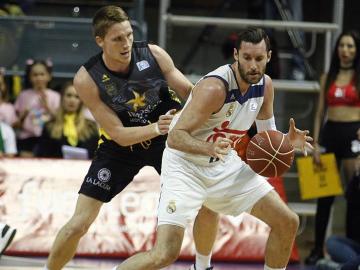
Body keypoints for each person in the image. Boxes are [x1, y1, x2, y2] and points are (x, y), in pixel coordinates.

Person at [113, 27, 313, 270]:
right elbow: (175, 137)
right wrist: (207, 148)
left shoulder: (265, 86)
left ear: (269, 57)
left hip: (222, 163)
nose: (253, 65)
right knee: (164, 254)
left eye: (259, 59)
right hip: (185, 167)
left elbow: (266, 138)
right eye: (247, 57)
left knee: (287, 222)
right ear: (236, 55)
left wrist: (285, 142)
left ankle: (201, 267)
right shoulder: (214, 89)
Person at [44, 5, 219, 270]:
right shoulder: (86, 79)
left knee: (208, 201)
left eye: (128, 35)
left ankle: (203, 266)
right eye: (117, 38)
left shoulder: (153, 54)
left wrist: (208, 113)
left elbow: (190, 93)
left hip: (168, 142)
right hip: (121, 147)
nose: (126, 44)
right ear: (100, 41)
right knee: (78, 224)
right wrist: (156, 127)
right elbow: (118, 134)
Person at [306, 30, 360, 265]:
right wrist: (315, 143)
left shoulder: (359, 77)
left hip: (352, 136)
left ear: (356, 50)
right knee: (323, 197)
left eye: (350, 46)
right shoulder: (327, 76)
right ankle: (318, 248)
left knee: (353, 195)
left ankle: (352, 251)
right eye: (342, 46)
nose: (345, 50)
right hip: (329, 134)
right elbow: (319, 114)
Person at [36, 81, 99, 159]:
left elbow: (97, 155)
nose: (72, 100)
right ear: (62, 98)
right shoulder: (49, 126)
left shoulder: (91, 126)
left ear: (81, 101)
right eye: (69, 96)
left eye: (77, 97)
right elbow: (42, 156)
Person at [14, 59, 60, 157]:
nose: (39, 78)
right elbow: (16, 125)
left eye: (42, 74)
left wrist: (47, 107)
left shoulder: (55, 96)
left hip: (48, 138)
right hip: (27, 138)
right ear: (30, 77)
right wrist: (23, 115)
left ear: (49, 76)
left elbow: (59, 120)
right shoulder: (23, 95)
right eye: (35, 75)